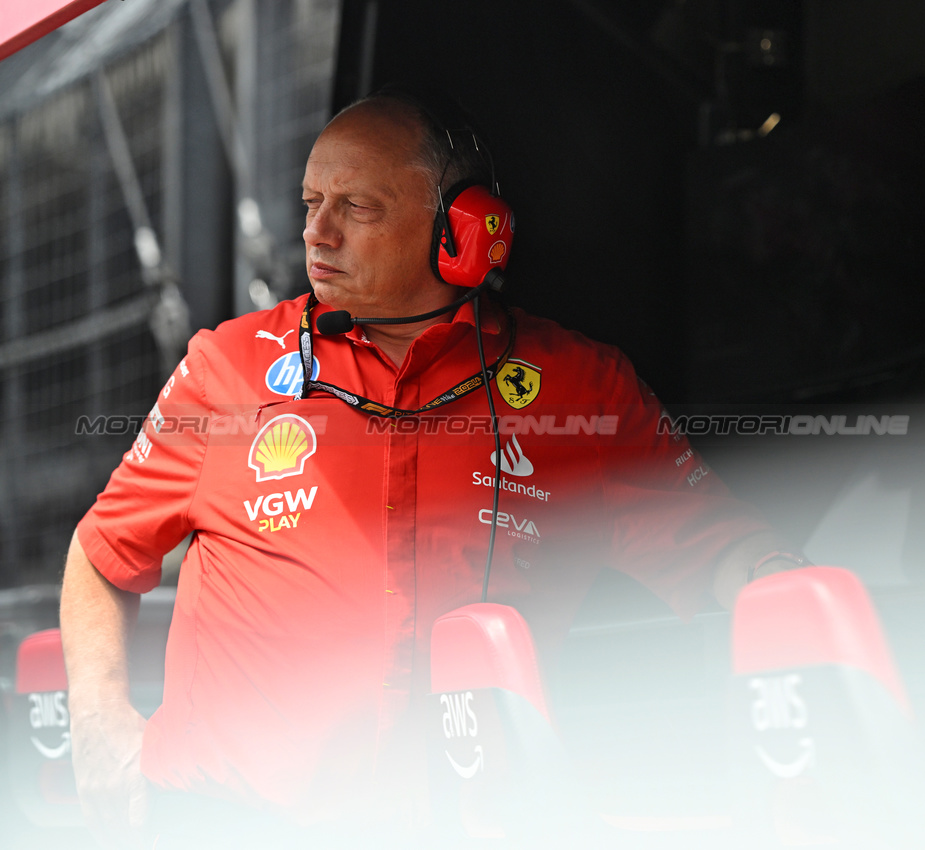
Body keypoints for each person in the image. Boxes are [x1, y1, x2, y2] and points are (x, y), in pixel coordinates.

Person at [60, 92, 803, 848]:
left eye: (357, 206)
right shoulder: (227, 366)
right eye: (312, 200)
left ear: (463, 232)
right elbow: (102, 554)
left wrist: (783, 585)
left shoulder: (583, 389)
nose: (317, 231)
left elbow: (718, 547)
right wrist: (96, 722)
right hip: (227, 824)